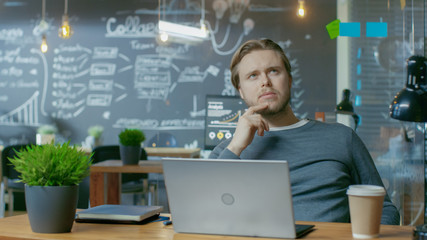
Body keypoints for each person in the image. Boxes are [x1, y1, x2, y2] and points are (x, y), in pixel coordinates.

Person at [209, 38, 400, 225]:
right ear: (240, 91)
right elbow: (205, 216)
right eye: (253, 75)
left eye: (273, 71)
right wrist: (236, 146)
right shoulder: (226, 153)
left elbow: (384, 209)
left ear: (289, 80)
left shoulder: (341, 138)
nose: (265, 82)